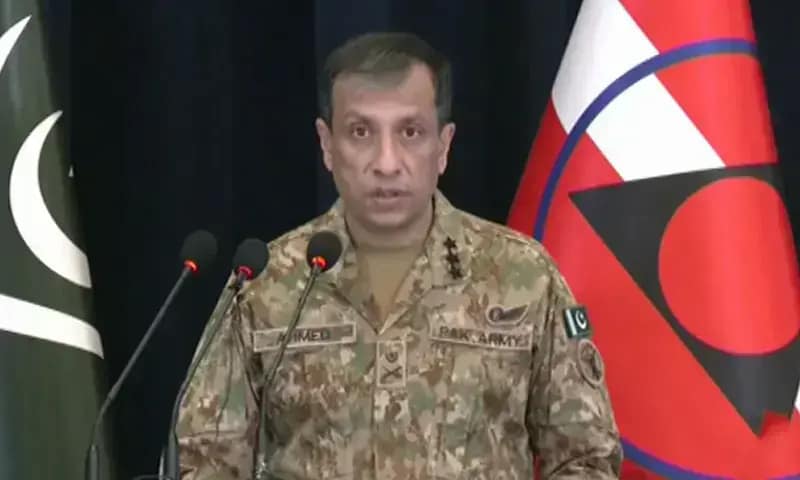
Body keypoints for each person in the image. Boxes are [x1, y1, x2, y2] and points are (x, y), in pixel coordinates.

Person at [176, 31, 622, 479]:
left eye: (410, 132)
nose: (386, 163)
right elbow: (204, 459)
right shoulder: (266, 280)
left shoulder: (523, 275)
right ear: (327, 144)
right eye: (360, 132)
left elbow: (586, 457)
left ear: (443, 146)